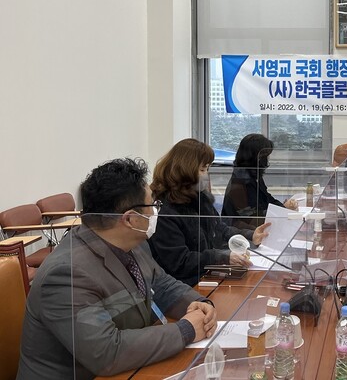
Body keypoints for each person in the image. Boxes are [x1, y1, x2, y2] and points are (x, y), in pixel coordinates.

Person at [17, 158, 217, 379]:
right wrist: (185, 330)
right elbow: (105, 352)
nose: (155, 212)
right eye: (152, 205)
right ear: (130, 219)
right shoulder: (66, 274)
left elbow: (161, 284)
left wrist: (199, 304)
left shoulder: (132, 243)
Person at [148, 139, 270, 286]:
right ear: (185, 170)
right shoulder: (164, 211)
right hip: (185, 284)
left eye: (207, 169)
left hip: (206, 276)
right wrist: (221, 257)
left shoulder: (199, 198)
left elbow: (219, 228)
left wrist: (250, 235)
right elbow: (180, 262)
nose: (206, 175)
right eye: (202, 170)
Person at [222, 133, 297, 227]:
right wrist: (282, 209)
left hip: (258, 226)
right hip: (244, 231)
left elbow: (267, 198)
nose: (267, 160)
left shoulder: (254, 175)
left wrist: (282, 207)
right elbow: (250, 218)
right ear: (256, 157)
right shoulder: (238, 185)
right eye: (265, 156)